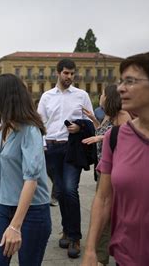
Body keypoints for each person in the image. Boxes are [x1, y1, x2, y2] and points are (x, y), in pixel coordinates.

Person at [82, 52, 149, 266]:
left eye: (130, 81)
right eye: (121, 81)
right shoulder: (115, 137)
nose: (120, 88)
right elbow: (103, 198)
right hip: (125, 258)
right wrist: (91, 250)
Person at [0, 74, 51, 265]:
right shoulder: (4, 127)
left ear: (4, 97)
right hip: (3, 206)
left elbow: (31, 180)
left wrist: (15, 226)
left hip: (32, 211)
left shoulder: (30, 131)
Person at [37, 58, 94, 259]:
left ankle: (75, 238)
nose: (69, 77)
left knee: (70, 190)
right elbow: (40, 123)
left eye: (72, 73)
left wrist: (80, 126)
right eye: (66, 73)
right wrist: (43, 145)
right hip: (51, 148)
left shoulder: (82, 95)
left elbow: (91, 120)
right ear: (58, 73)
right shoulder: (46, 96)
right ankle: (66, 230)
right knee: (60, 192)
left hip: (72, 148)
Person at [81, 84, 131, 266]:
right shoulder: (108, 115)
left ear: (108, 97)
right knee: (104, 214)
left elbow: (126, 135)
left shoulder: (123, 116)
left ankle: (102, 257)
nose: (100, 97)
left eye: (102, 94)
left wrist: (101, 138)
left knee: (106, 215)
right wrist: (94, 120)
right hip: (103, 167)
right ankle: (102, 254)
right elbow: (103, 131)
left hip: (115, 171)